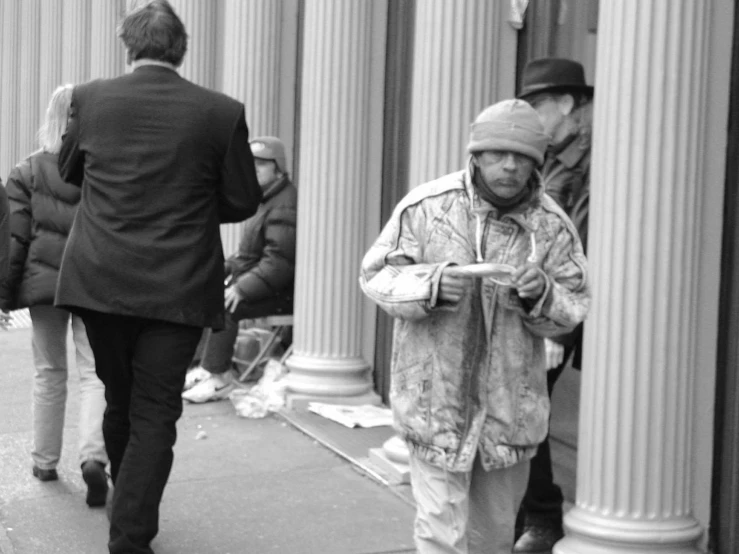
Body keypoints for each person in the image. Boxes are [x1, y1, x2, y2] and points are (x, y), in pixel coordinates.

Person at [55, 2, 261, 553]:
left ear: (129, 45)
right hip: (178, 284)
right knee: (152, 410)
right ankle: (130, 529)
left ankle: (129, 514)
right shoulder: (220, 112)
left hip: (100, 279)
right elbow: (243, 198)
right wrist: (188, 206)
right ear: (181, 47)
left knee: (121, 398)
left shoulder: (90, 99)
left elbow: (68, 171)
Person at [359, 98, 590, 554]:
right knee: (440, 534)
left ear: (536, 162)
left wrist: (539, 293)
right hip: (435, 404)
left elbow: (574, 304)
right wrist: (430, 284)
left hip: (510, 411)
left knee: (493, 537)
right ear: (476, 154)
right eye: (497, 154)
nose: (509, 166)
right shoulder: (427, 207)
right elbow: (375, 275)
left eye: (522, 157)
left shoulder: (552, 226)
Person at [0, 85, 109, 506]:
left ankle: (45, 461)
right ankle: (93, 458)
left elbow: (15, 238)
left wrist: (7, 295)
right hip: (91, 282)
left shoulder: (26, 170)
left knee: (49, 371)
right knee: (94, 371)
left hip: (44, 285)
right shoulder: (99, 169)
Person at [512, 57, 593, 554]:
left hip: (565, 309)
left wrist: (554, 330)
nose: (531, 116)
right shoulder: (559, 154)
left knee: (526, 400)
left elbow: (576, 248)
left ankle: (542, 518)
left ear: (565, 103)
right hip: (551, 302)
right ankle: (532, 515)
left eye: (536, 105)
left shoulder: (591, 154)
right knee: (523, 401)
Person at [183, 136, 297, 403]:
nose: (253, 169)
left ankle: (220, 380)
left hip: (283, 292)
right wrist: (219, 269)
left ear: (278, 168)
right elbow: (249, 256)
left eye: (261, 164)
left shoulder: (284, 204)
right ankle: (205, 367)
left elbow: (279, 262)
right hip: (266, 283)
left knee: (225, 306)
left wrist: (242, 287)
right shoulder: (266, 199)